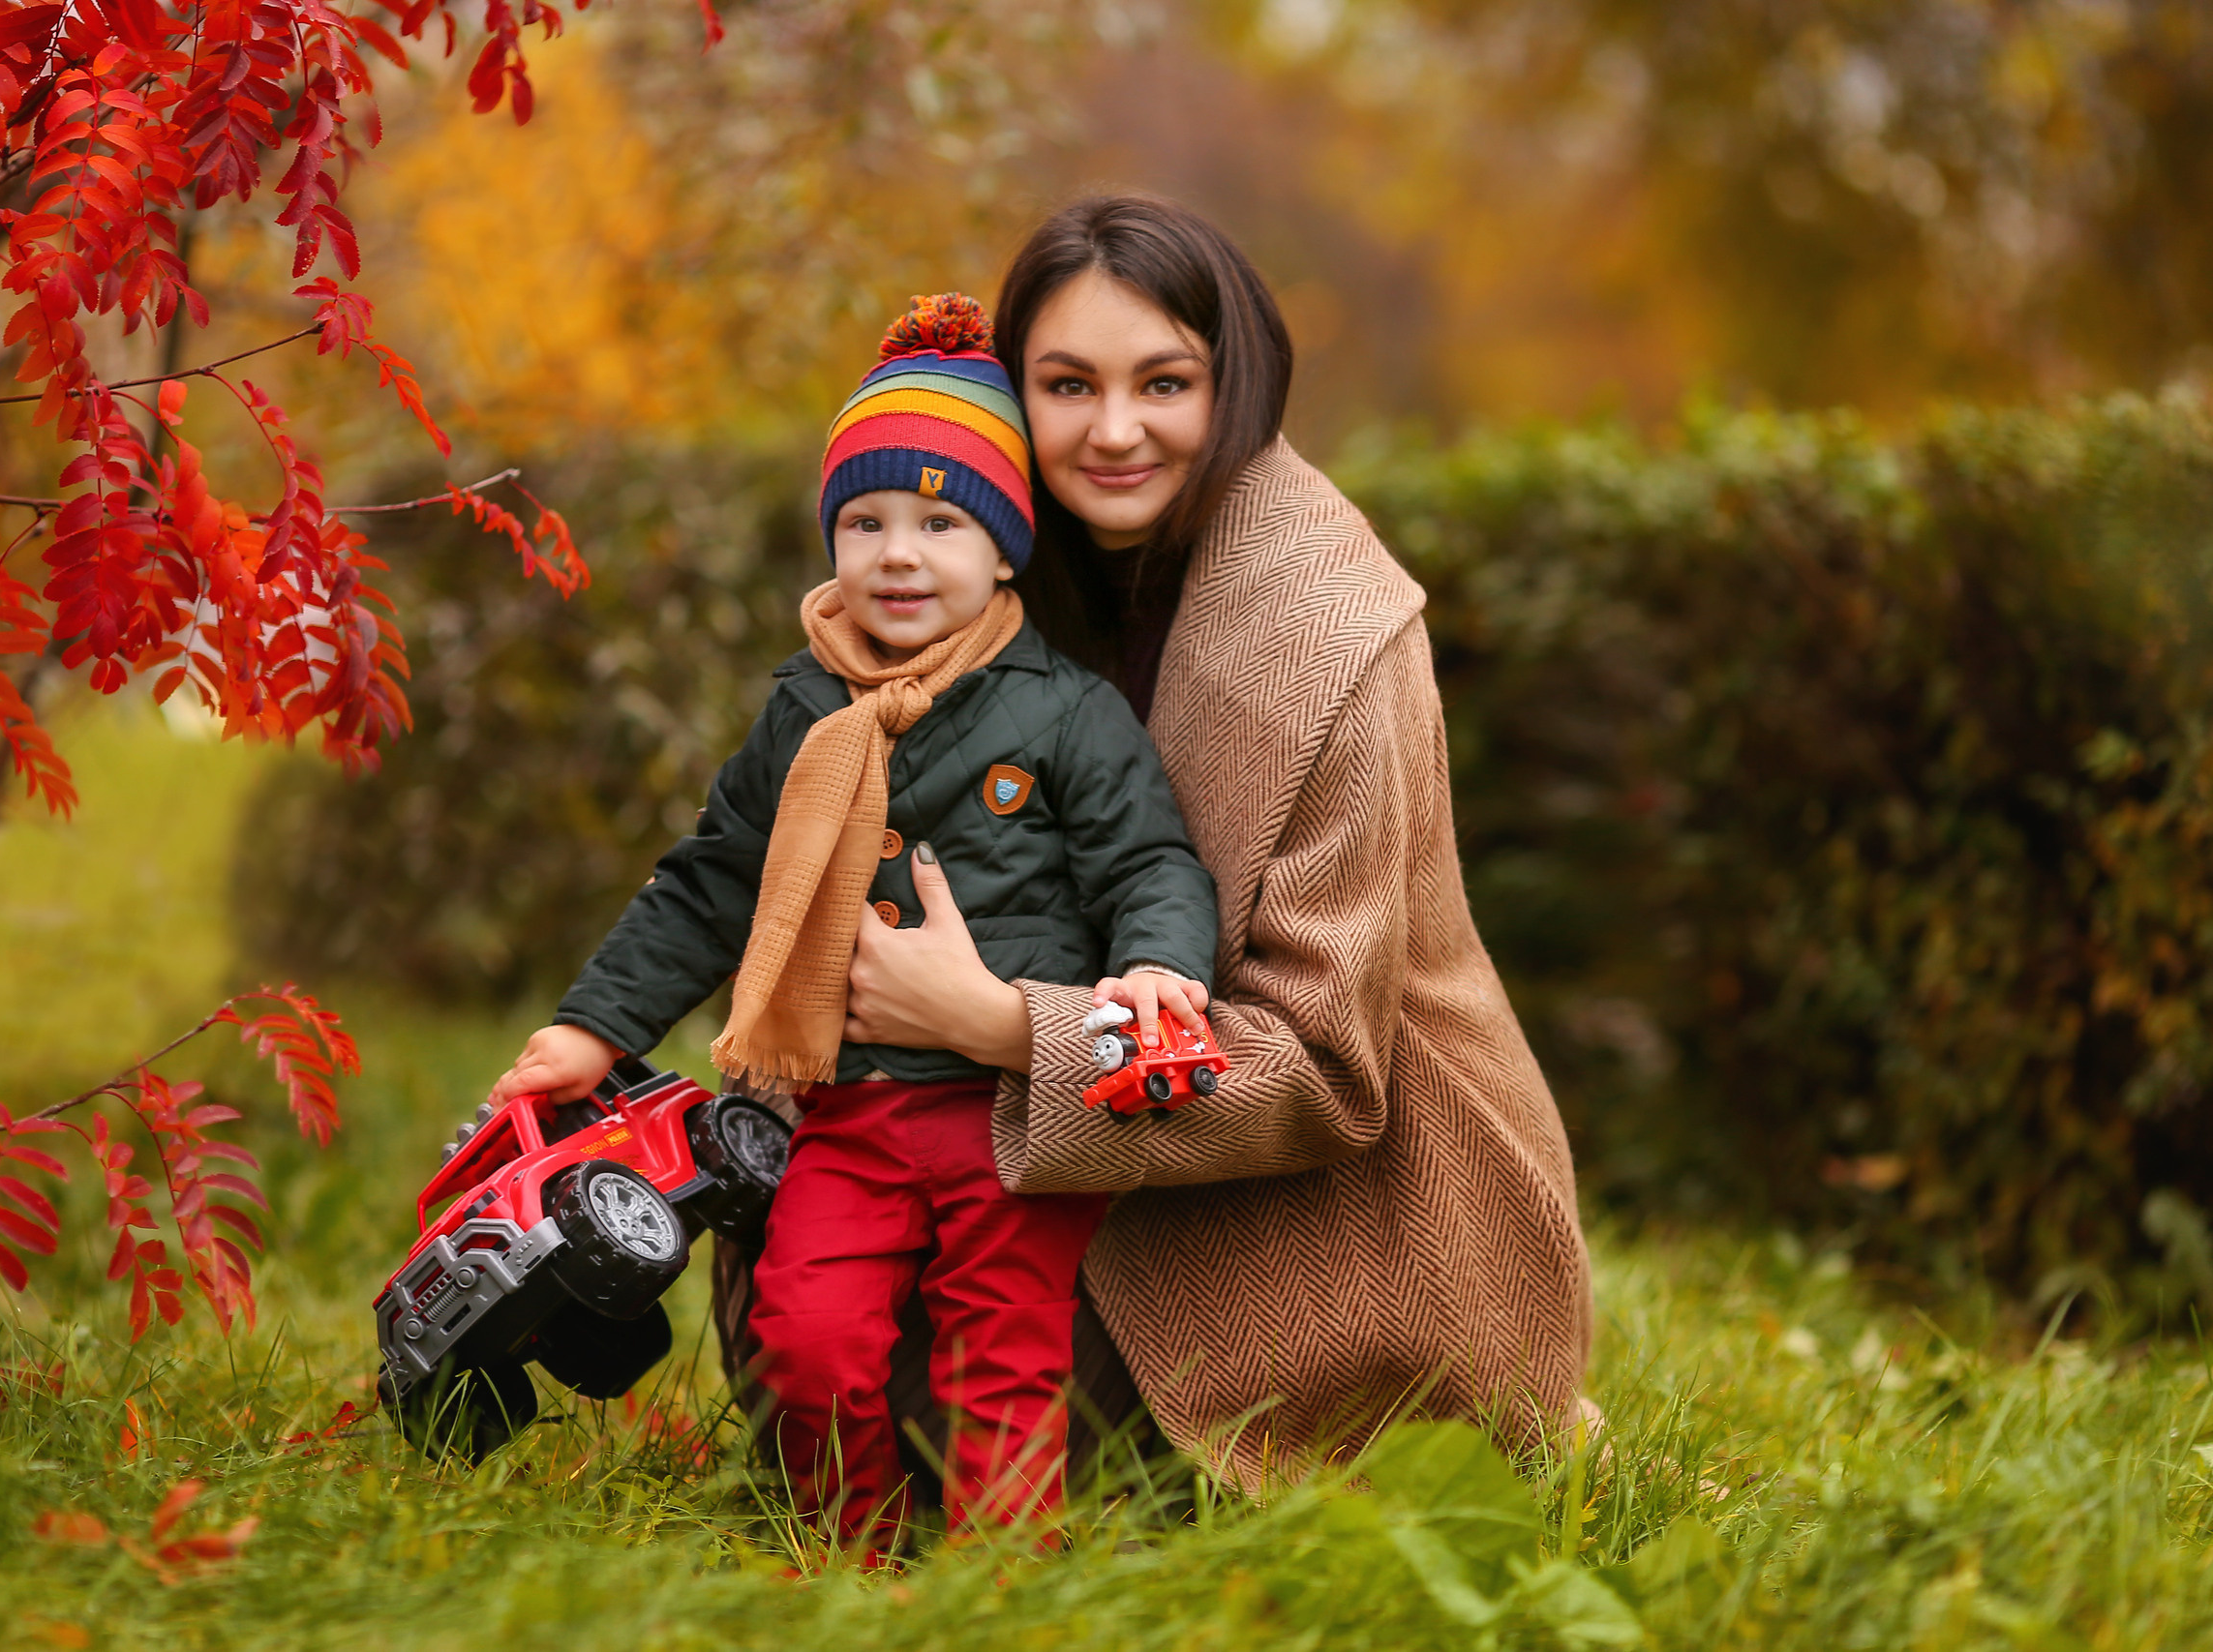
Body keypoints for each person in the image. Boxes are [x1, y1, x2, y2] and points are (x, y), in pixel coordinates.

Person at [831, 196, 1595, 1488]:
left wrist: (1004, 1027)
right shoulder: (1002, 572)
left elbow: (1323, 1066)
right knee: (797, 1270)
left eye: (1164, 383)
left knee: (943, 1426)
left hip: (1359, 1215)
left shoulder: (1337, 644)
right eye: (1068, 384)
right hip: (1079, 1141)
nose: (1115, 431)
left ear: (1231, 385)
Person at [486, 293, 1219, 1549]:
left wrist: (1156, 964)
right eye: (866, 519)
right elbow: (713, 878)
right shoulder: (806, 713)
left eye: (941, 522)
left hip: (1009, 1117)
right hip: (849, 1107)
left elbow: (1147, 857)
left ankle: (1005, 1572)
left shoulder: (1063, 713)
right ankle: (847, 1546)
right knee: (806, 1335)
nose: (897, 553)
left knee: (1006, 1350)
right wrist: (590, 1031)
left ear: (1004, 553)